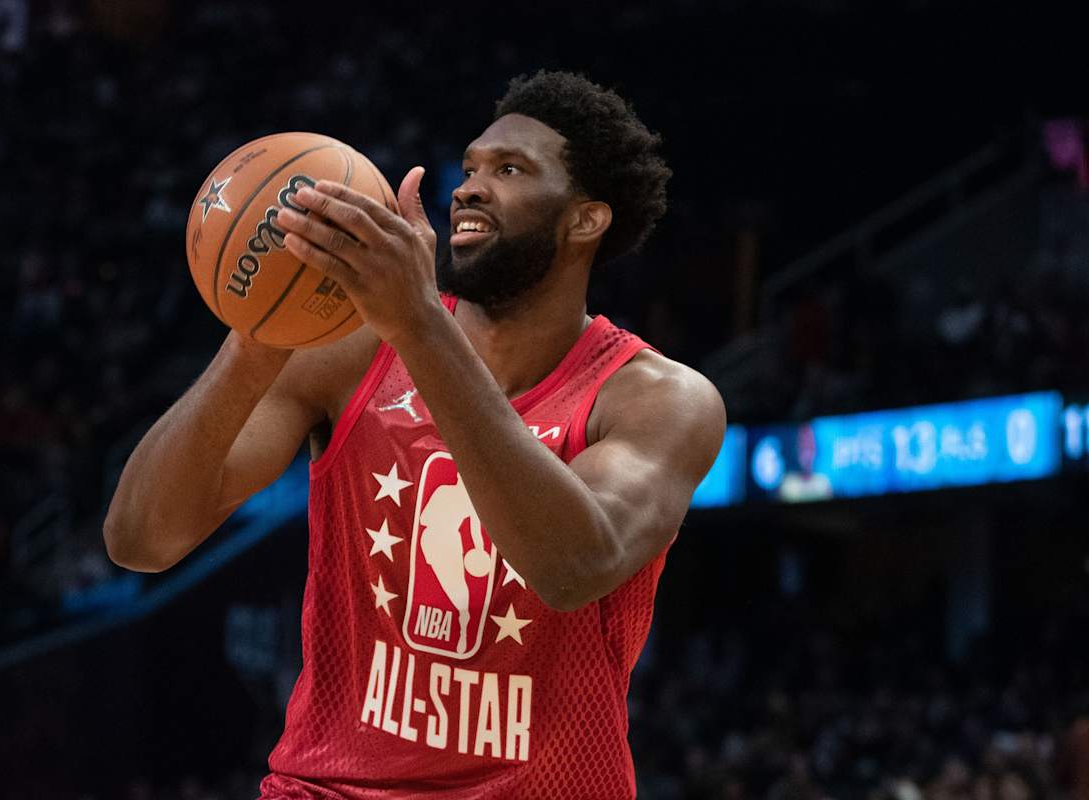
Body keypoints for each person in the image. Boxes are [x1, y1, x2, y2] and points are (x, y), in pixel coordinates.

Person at [104, 70, 726, 800]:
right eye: (470, 168)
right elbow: (140, 540)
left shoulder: (658, 399)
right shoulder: (351, 350)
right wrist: (256, 337)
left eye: (510, 170)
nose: (469, 188)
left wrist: (420, 325)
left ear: (585, 220)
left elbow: (573, 567)